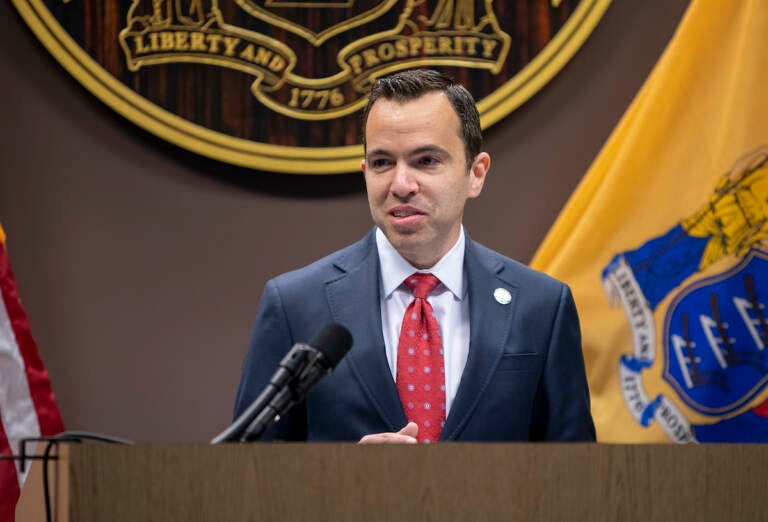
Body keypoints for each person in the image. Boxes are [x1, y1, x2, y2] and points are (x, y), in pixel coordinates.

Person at [233, 69, 595, 443]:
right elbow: (248, 478)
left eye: (426, 161)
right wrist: (338, 481)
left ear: (476, 173)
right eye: (382, 163)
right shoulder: (295, 306)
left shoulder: (541, 307)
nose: (400, 185)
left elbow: (579, 480)